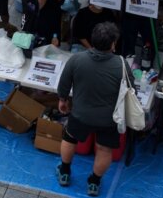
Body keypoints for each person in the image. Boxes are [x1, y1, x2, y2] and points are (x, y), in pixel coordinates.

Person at [56, 21, 125, 196]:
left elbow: (63, 85)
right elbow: (130, 92)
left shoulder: (77, 59)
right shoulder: (121, 66)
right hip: (109, 119)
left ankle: (64, 172)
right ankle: (94, 183)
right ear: (112, 44)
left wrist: (63, 101)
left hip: (80, 114)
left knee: (69, 139)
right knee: (104, 150)